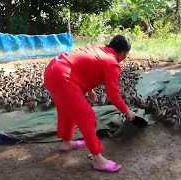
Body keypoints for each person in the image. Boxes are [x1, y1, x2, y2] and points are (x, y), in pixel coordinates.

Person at [44, 35, 135, 172]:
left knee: (66, 110)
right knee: (87, 117)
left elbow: (83, 68)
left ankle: (67, 143)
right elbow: (113, 94)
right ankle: (98, 159)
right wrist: (127, 110)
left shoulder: (99, 51)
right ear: (123, 53)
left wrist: (89, 90)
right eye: (126, 54)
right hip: (63, 77)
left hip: (52, 70)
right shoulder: (112, 63)